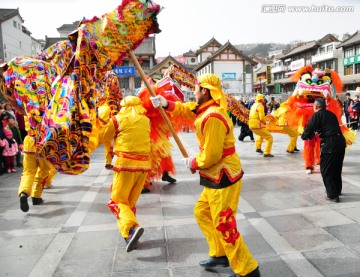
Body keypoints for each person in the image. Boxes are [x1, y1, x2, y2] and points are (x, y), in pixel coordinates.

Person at [150, 73, 260, 277]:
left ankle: (248, 269)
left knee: (225, 224)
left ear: (206, 91)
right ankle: (219, 253)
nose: (194, 92)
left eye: (197, 88)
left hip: (223, 175)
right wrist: (166, 103)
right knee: (202, 212)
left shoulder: (214, 117)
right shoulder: (205, 109)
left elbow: (211, 155)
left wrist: (193, 162)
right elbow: (187, 109)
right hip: (214, 176)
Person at [106, 96, 151, 253]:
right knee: (129, 204)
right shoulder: (146, 120)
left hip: (125, 166)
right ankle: (128, 235)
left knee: (117, 202)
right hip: (144, 167)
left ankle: (132, 228)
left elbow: (104, 136)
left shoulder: (117, 119)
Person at [301, 98, 346, 203]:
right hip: (340, 142)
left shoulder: (317, 115)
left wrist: (304, 136)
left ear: (316, 107)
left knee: (326, 170)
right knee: (336, 168)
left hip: (330, 143)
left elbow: (309, 129)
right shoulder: (331, 114)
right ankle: (337, 190)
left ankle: (332, 195)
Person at [18, 118, 51, 212]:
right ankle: (36, 197)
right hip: (42, 143)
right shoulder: (45, 105)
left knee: (28, 172)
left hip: (29, 142)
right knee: (43, 170)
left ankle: (23, 192)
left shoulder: (25, 106)